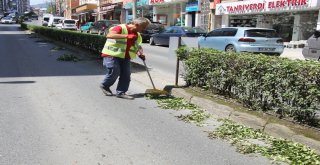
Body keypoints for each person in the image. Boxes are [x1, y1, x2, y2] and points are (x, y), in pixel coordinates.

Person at [100, 17, 150, 100]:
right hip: (111, 54)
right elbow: (109, 35)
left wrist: (140, 54)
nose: (144, 29)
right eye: (143, 27)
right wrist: (127, 36)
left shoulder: (137, 35)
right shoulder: (120, 27)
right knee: (114, 72)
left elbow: (137, 46)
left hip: (125, 56)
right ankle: (104, 85)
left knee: (126, 75)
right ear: (137, 25)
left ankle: (121, 92)